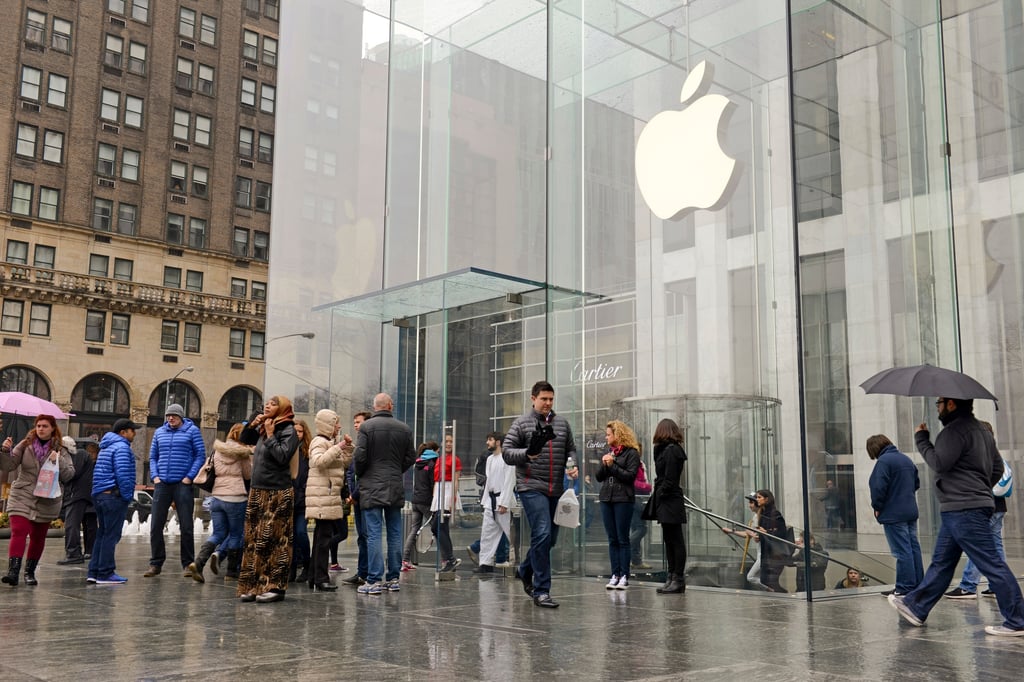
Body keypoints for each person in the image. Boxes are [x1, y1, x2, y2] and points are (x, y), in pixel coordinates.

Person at [888, 397, 1024, 637]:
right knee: (943, 562)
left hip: (963, 508)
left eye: (939, 403)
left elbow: (938, 463)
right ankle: (916, 607)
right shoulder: (982, 431)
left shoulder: (954, 431)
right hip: (965, 506)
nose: (937, 407)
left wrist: (921, 439)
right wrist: (979, 489)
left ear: (951, 404)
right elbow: (997, 469)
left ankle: (1017, 619)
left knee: (991, 563)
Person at [502, 380, 579, 608]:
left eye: (551, 399)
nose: (547, 403)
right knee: (543, 533)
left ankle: (525, 569)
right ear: (533, 398)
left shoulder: (562, 424)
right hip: (531, 485)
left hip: (555, 488)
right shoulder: (521, 424)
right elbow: (507, 453)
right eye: (543, 399)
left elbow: (570, 449)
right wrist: (527, 454)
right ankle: (541, 590)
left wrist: (572, 464)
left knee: (550, 538)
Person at [236, 396, 300, 603]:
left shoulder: (289, 430)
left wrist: (271, 435)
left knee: (275, 541)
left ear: (282, 408)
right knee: (253, 540)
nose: (268, 406)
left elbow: (282, 456)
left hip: (278, 492)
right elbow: (244, 440)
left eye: (273, 404)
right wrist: (253, 425)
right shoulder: (264, 428)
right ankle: (253, 585)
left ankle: (275, 586)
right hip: (258, 490)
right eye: (267, 404)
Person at [353, 393, 417, 595]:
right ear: (391, 406)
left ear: (375, 407)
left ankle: (373, 580)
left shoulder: (366, 427)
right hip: (394, 485)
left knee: (373, 533)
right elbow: (410, 457)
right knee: (395, 533)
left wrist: (362, 474)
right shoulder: (404, 429)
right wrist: (396, 470)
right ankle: (393, 578)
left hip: (371, 486)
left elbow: (360, 457)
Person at [1, 415, 75, 586]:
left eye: (45, 426)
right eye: (38, 425)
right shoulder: (25, 444)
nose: (41, 429)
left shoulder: (61, 450)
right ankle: (13, 572)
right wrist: (5, 451)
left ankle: (29, 572)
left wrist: (59, 460)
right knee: (19, 531)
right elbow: (9, 465)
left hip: (47, 498)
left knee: (38, 537)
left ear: (52, 428)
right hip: (23, 494)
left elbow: (69, 474)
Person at [946, 421, 1011, 599]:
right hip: (998, 506)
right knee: (996, 547)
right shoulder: (994, 452)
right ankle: (999, 585)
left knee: (978, 547)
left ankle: (968, 586)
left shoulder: (980, 454)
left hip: (985, 507)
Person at [145, 403, 206, 578]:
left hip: (183, 483)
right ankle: (155, 563)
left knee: (186, 525)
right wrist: (155, 477)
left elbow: (200, 455)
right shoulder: (159, 432)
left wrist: (189, 477)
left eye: (174, 416)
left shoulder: (192, 431)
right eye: (168, 416)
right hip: (162, 483)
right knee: (156, 524)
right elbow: (153, 457)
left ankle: (188, 564)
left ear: (181, 416)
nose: (170, 418)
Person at [186, 423, 252, 583]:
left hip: (217, 497)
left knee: (218, 534)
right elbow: (248, 474)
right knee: (236, 535)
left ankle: (198, 563)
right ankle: (231, 572)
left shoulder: (217, 451)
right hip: (236, 497)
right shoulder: (242, 454)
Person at [866, 434, 923, 597]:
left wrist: (877, 506)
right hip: (910, 511)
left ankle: (904, 587)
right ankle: (918, 584)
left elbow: (878, 488)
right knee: (913, 548)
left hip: (893, 513)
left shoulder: (884, 462)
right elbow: (916, 483)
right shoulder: (905, 459)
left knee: (901, 551)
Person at [87, 418, 139, 585]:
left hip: (100, 494)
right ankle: (106, 573)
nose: (135, 433)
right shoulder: (122, 447)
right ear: (123, 432)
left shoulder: (106, 447)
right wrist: (126, 495)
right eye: (132, 430)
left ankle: (94, 571)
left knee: (102, 534)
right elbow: (123, 474)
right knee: (111, 535)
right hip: (113, 496)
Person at [306, 409, 353, 592]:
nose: (339, 427)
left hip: (326, 496)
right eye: (336, 423)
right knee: (323, 539)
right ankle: (321, 578)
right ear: (328, 425)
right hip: (322, 497)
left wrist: (346, 448)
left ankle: (314, 576)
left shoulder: (329, 442)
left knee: (321, 538)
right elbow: (319, 461)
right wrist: (339, 446)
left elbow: (343, 464)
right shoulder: (319, 441)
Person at [596, 420, 641, 590]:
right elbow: (599, 477)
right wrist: (604, 463)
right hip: (607, 499)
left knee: (623, 539)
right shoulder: (609, 452)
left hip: (623, 499)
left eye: (608, 434)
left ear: (617, 435)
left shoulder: (632, 453)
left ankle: (624, 575)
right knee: (612, 538)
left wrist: (612, 465)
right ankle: (614, 574)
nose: (606, 437)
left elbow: (629, 476)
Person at [651, 418, 688, 594]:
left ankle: (678, 578)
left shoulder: (673, 451)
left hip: (670, 498)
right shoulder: (663, 450)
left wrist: (661, 492)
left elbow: (670, 478)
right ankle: (672, 575)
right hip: (665, 498)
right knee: (669, 539)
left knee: (675, 539)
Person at [473, 432, 516, 575]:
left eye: (490, 440)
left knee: (510, 534)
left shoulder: (508, 459)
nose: (487, 442)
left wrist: (504, 502)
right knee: (487, 533)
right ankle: (485, 563)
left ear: (498, 442)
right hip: (490, 500)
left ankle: (517, 564)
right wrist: (485, 502)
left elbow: (509, 481)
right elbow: (488, 482)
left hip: (502, 501)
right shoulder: (490, 459)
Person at [342, 411, 373, 586]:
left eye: (358, 422)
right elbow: (351, 472)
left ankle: (368, 573)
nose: (355, 425)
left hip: (364, 497)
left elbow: (364, 475)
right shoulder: (358, 445)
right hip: (356, 498)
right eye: (354, 422)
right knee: (361, 536)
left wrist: (354, 495)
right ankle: (362, 572)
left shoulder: (367, 445)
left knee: (367, 536)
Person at [58, 437, 98, 565]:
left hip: (77, 494)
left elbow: (72, 474)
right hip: (77, 494)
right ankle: (75, 552)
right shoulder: (79, 456)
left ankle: (74, 553)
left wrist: (60, 464)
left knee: (72, 525)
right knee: (73, 524)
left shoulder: (79, 455)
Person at [402, 441, 438, 571]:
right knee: (438, 529)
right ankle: (446, 559)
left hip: (415, 500)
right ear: (434, 450)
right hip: (426, 501)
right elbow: (432, 484)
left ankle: (405, 560)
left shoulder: (418, 463)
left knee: (413, 530)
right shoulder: (432, 464)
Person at [430, 433, 463, 573]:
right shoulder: (439, 459)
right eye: (447, 441)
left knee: (439, 526)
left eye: (451, 441)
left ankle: (450, 559)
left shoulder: (455, 459)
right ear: (443, 443)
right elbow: (436, 479)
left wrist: (452, 498)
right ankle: (449, 559)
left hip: (448, 491)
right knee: (440, 528)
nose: (449, 444)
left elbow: (456, 480)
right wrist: (434, 495)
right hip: (438, 491)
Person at [289, 419, 312, 584]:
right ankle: (291, 568)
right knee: (289, 537)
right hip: (288, 499)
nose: (297, 434)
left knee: (301, 532)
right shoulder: (287, 450)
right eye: (295, 431)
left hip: (302, 500)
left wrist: (304, 492)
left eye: (300, 431)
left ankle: (307, 564)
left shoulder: (307, 452)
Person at [722, 493, 761, 588]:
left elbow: (757, 534)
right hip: (760, 552)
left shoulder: (762, 517)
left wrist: (752, 533)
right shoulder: (755, 517)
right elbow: (747, 534)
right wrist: (731, 531)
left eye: (751, 502)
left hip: (765, 553)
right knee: (755, 577)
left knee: (751, 577)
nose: (749, 505)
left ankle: (771, 589)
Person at [754, 489, 789, 593]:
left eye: (759, 497)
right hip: (766, 553)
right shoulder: (762, 514)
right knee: (764, 581)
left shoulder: (775, 514)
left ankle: (784, 598)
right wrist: (759, 536)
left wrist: (766, 532)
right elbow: (764, 533)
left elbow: (782, 533)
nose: (757, 500)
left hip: (775, 555)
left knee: (770, 582)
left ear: (767, 499)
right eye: (757, 497)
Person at [629, 459, 653, 570]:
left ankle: (636, 561)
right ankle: (626, 545)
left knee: (636, 528)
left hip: (639, 497)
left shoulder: (640, 462)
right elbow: (632, 481)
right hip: (636, 497)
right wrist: (647, 486)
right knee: (641, 528)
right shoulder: (633, 462)